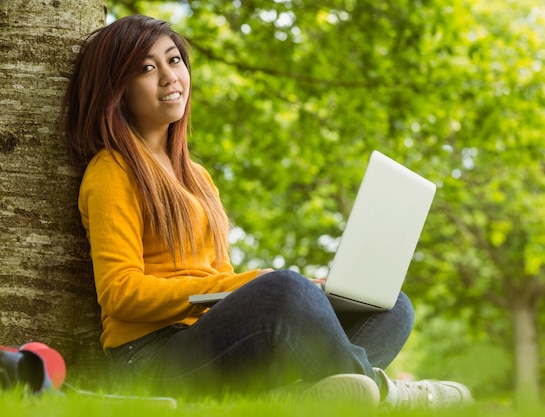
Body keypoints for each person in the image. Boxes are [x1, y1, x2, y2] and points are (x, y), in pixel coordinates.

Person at [61, 14, 472, 408]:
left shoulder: (197, 177)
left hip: (213, 339)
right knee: (283, 290)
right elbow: (119, 294)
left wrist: (301, 295)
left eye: (174, 60)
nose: (170, 76)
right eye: (147, 68)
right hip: (151, 358)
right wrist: (252, 287)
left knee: (388, 305)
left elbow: (218, 275)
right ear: (119, 90)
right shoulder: (111, 171)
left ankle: (303, 393)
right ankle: (385, 396)